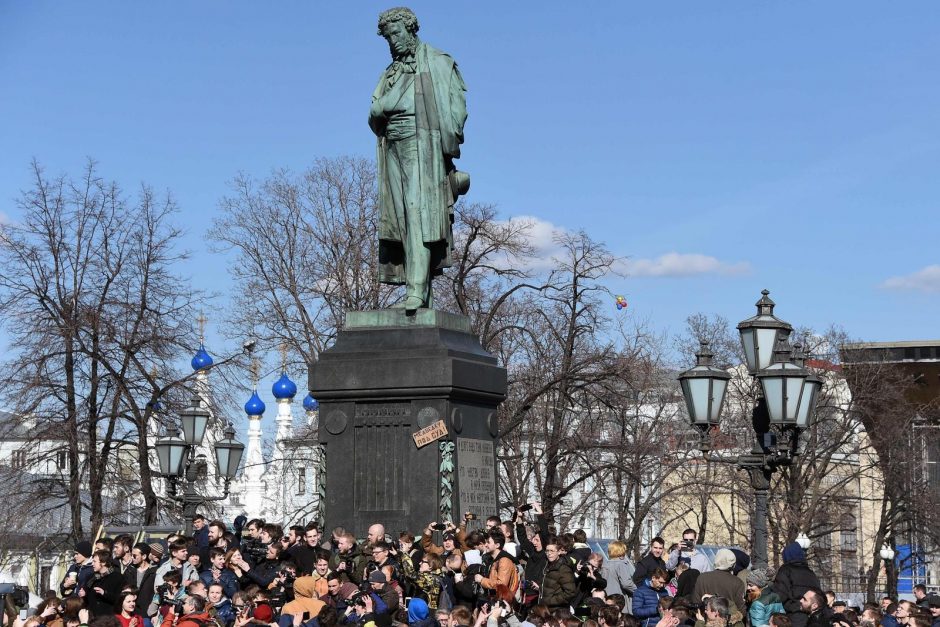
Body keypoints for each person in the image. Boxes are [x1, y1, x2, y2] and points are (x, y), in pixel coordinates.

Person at [368, 6, 469, 310]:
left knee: (418, 215)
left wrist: (443, 147)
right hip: (392, 147)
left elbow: (456, 107)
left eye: (395, 34)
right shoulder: (389, 73)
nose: (392, 42)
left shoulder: (438, 62)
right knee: (401, 221)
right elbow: (374, 112)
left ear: (410, 29)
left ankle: (415, 290)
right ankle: (421, 294)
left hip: (421, 144)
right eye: (387, 38)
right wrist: (381, 108)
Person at [773, 543, 821, 627]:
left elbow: (780, 595)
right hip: (811, 615)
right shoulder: (811, 573)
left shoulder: (786, 570)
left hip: (792, 615)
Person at [473, 530, 518, 604]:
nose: (486, 545)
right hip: (494, 599)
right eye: (485, 542)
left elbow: (502, 585)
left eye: (488, 542)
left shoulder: (504, 561)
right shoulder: (492, 560)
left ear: (497, 545)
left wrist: (482, 580)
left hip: (502, 602)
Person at [81, 549, 125, 617]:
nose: (92, 564)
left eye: (95, 561)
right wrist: (84, 594)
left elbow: (119, 599)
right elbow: (87, 595)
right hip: (92, 617)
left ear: (103, 562)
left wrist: (104, 593)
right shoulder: (91, 577)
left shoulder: (118, 578)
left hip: (107, 618)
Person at [602, 540, 637, 615]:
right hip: (619, 600)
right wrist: (638, 590)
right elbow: (626, 584)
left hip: (608, 599)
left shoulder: (605, 565)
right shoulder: (621, 564)